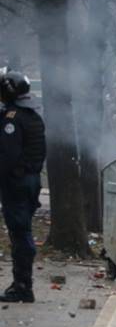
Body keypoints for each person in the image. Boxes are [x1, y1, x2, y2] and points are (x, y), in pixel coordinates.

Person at [0, 71, 46, 303]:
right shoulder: (33, 117)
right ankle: (22, 284)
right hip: (31, 180)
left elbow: (8, 156)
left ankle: (22, 286)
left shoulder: (12, 119)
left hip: (16, 182)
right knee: (22, 229)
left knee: (20, 233)